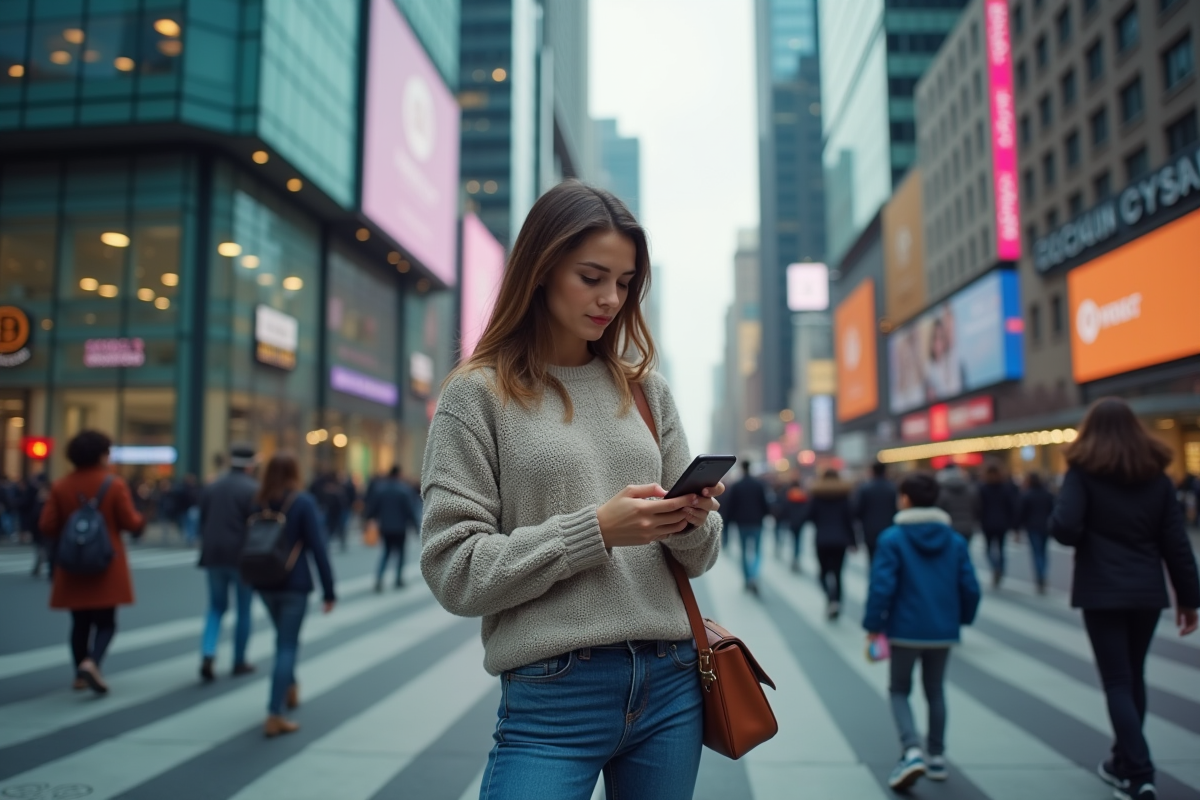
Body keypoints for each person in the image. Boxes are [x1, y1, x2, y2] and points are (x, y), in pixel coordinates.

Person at [420, 181, 723, 800]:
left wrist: (692, 518)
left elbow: (700, 557)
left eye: (625, 281)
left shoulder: (647, 391)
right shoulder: (476, 396)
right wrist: (596, 531)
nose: (611, 298)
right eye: (592, 277)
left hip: (670, 682)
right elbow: (454, 569)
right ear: (541, 268)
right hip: (554, 692)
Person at [1049, 398, 1199, 800]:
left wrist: (1085, 533)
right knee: (1135, 676)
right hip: (1146, 591)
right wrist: (1190, 599)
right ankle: (1121, 760)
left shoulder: (1083, 472)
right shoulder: (1157, 477)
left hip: (1101, 590)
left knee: (1116, 681)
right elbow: (1176, 544)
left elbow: (1064, 527)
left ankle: (1139, 771)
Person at [863, 472, 981, 791]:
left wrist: (874, 625)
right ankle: (937, 757)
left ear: (905, 499)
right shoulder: (955, 540)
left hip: (903, 628)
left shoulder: (892, 538)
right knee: (936, 690)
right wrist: (962, 619)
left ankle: (911, 750)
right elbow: (970, 586)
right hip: (943, 629)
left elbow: (882, 587)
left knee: (899, 689)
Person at [37, 430, 145, 694]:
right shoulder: (113, 484)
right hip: (105, 563)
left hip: (73, 564)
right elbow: (131, 522)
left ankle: (79, 674)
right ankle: (92, 662)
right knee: (106, 622)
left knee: (79, 622)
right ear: (100, 455)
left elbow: (47, 525)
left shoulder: (62, 485)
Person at [252, 453, 336, 737]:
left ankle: (288, 687)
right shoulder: (302, 502)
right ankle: (274, 713)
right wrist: (329, 590)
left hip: (264, 582)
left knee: (282, 639)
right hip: (294, 583)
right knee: (287, 646)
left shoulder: (258, 500)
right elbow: (317, 547)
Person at [196, 443, 259, 682]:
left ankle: (208, 652)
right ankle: (239, 659)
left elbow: (203, 519)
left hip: (213, 554)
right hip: (242, 556)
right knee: (244, 610)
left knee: (215, 607)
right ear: (251, 465)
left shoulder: (213, 486)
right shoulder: (253, 489)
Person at [808, 468, 856, 619]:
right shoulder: (843, 495)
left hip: (822, 539)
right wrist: (853, 541)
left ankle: (830, 597)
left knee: (823, 573)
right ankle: (836, 601)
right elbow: (849, 520)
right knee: (838, 573)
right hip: (840, 540)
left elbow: (810, 515)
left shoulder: (817, 495)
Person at [364, 465, 420, 592]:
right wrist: (415, 527)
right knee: (400, 554)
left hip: (385, 527)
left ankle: (379, 579)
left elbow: (373, 508)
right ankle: (398, 579)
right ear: (399, 474)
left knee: (386, 553)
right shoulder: (404, 490)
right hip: (400, 528)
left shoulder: (381, 489)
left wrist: (368, 521)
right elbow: (409, 511)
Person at [724, 460, 771, 593]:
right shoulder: (759, 485)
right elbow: (764, 503)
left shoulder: (736, 486)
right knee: (756, 551)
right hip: (757, 522)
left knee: (744, 551)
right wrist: (767, 514)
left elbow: (730, 505)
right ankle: (754, 576)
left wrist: (728, 522)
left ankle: (747, 578)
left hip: (741, 522)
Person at [979, 463, 1017, 588]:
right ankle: (1000, 568)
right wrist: (1014, 524)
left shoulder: (983, 488)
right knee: (1001, 549)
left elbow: (979, 507)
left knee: (989, 549)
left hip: (987, 522)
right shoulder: (1005, 487)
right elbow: (1011, 506)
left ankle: (995, 567)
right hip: (1002, 523)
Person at [1017, 472, 1056, 594]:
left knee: (1036, 552)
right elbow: (1054, 510)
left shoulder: (1027, 495)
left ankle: (1040, 575)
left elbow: (1021, 513)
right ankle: (1042, 574)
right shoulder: (1047, 494)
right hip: (1045, 526)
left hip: (1033, 527)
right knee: (1043, 552)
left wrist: (1017, 528)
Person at [854, 462, 898, 565]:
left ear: (872, 471)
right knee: (889, 558)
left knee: (872, 558)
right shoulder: (893, 488)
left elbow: (857, 510)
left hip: (870, 530)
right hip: (890, 527)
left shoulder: (864, 488)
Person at [936, 463, 978, 540]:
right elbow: (976, 508)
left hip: (949, 527)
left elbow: (939, 509)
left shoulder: (941, 491)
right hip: (967, 527)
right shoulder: (970, 489)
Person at [776, 479, 809, 573]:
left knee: (793, 539)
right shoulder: (803, 495)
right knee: (799, 540)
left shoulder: (788, 495)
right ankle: (797, 557)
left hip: (791, 521)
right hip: (800, 521)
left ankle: (794, 557)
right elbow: (807, 508)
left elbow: (785, 508)